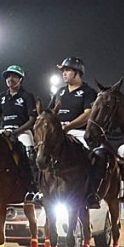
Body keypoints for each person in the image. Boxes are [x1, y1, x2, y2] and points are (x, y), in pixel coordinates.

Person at [48, 56, 108, 207]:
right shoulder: (60, 92)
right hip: (58, 134)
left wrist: (68, 127)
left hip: (79, 133)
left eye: (67, 70)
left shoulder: (88, 92)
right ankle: (40, 191)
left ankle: (92, 193)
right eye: (63, 71)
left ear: (77, 72)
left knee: (96, 157)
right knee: (40, 154)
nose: (64, 73)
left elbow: (88, 114)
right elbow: (49, 113)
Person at [0, 64, 38, 194]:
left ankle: (34, 187)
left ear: (20, 79)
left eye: (14, 76)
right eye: (8, 76)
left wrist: (14, 132)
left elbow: (32, 119)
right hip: (3, 130)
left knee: (30, 154)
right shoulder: (1, 97)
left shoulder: (27, 96)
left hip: (22, 132)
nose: (10, 79)